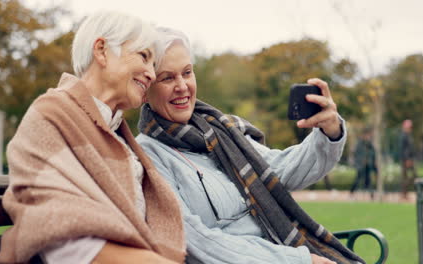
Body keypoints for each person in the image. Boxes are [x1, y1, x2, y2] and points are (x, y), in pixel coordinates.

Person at [137, 27, 364, 264]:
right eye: (168, 78)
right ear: (147, 88)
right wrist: (299, 260)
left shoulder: (222, 131)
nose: (182, 86)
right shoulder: (148, 155)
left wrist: (329, 131)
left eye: (187, 73)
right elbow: (193, 242)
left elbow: (284, 170)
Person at [0, 12, 186, 264]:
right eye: (144, 56)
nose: (151, 74)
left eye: (153, 65)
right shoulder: (50, 118)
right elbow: (71, 246)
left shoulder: (116, 134)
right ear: (101, 50)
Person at [350, 127, 377, 199]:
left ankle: (371, 195)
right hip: (361, 165)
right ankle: (352, 192)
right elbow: (356, 154)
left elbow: (373, 153)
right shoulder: (360, 144)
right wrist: (360, 161)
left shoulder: (369, 144)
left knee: (368, 180)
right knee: (358, 179)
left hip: (367, 165)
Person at [398, 119, 418, 199]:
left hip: (409, 159)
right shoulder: (403, 136)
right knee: (408, 176)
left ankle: (404, 193)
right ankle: (404, 194)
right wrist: (407, 159)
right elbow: (403, 149)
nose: (410, 129)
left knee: (412, 176)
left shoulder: (408, 135)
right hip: (406, 160)